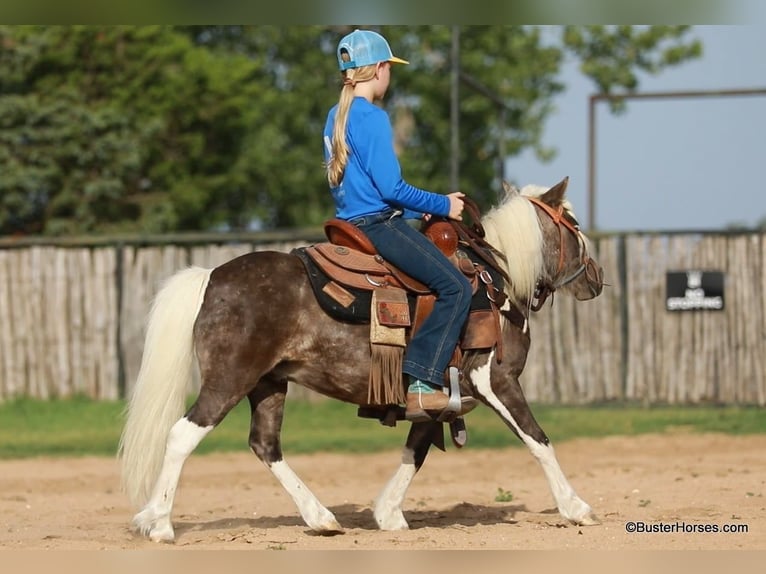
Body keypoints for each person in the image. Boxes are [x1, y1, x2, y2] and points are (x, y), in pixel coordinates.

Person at [323, 28, 477, 422]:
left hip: (350, 224)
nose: (389, 75)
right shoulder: (372, 117)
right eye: (388, 68)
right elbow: (391, 187)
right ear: (377, 69)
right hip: (376, 225)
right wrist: (444, 203)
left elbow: (368, 190)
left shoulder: (335, 116)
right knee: (455, 287)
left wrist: (414, 210)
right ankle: (423, 386)